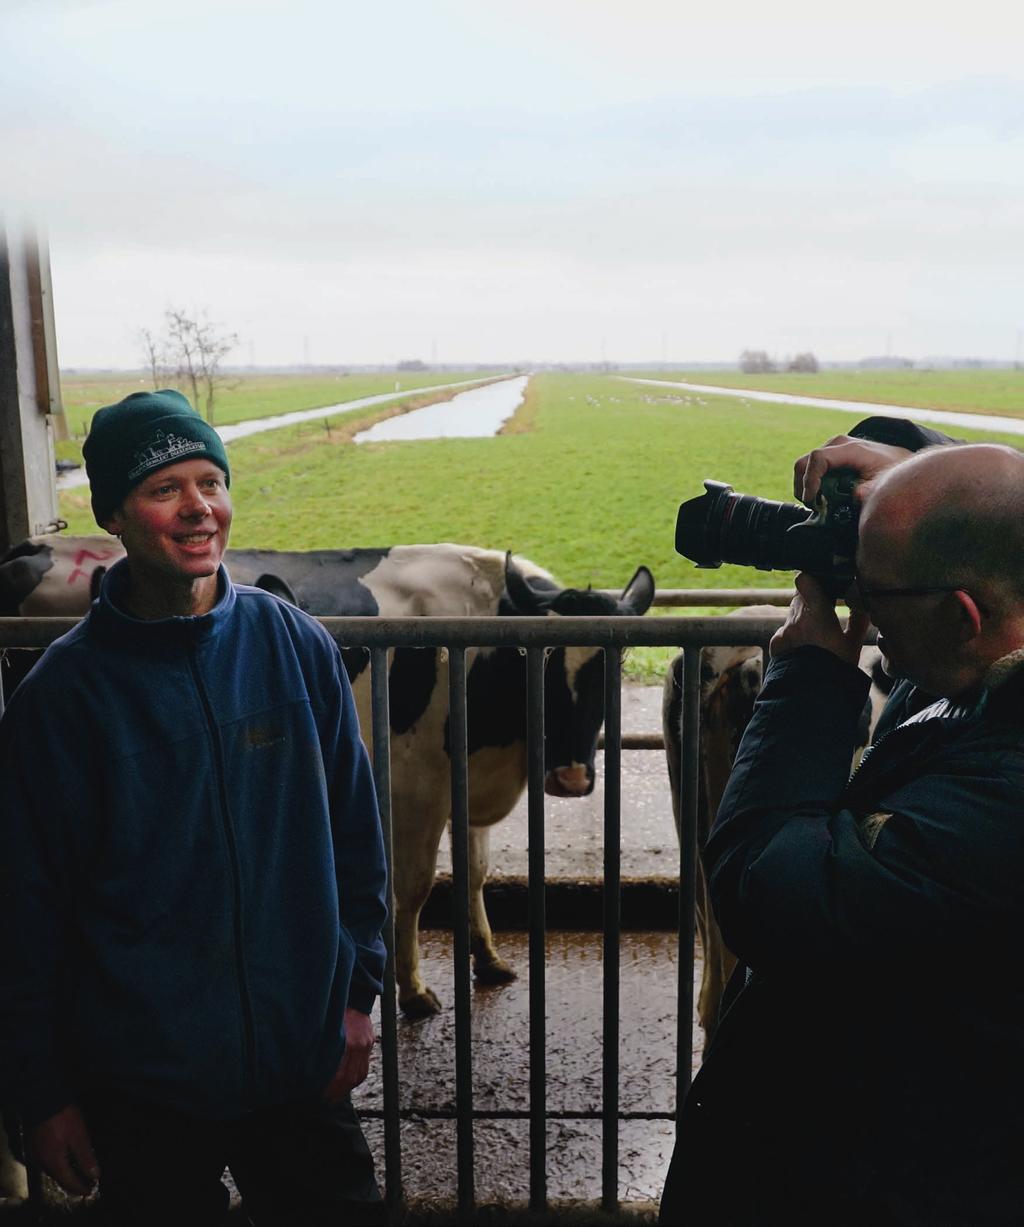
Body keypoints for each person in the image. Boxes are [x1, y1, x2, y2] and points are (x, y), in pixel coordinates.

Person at [0, 390, 389, 1226]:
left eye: (210, 479)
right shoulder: (63, 699)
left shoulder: (294, 645)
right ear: (115, 513)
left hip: (299, 1064)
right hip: (143, 1088)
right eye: (164, 486)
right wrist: (44, 1092)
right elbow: (25, 911)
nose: (198, 507)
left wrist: (359, 991)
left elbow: (358, 837)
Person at [660, 417, 1024, 1225]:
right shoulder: (979, 668)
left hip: (897, 1180)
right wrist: (919, 468)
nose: (861, 606)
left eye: (875, 591)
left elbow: (767, 886)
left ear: (965, 616)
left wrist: (810, 678)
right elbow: (1000, 520)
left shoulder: (1000, 802)